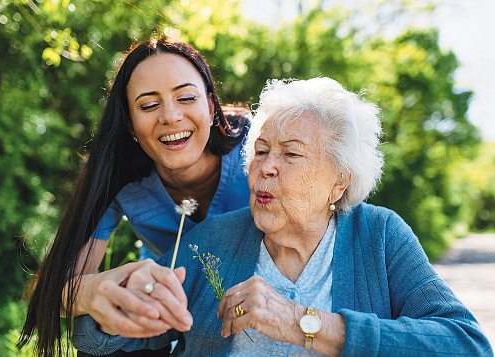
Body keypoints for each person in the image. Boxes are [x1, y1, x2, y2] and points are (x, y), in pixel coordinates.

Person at [72, 77, 493, 356]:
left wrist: (305, 324)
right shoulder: (212, 240)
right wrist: (118, 302)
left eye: (291, 153)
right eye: (260, 151)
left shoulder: (379, 236)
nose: (266, 167)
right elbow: (98, 338)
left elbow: (467, 345)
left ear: (339, 182)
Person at [18, 37, 251, 357]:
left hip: (261, 307)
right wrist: (92, 291)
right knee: (95, 333)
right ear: (129, 124)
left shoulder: (261, 147)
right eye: (148, 105)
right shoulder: (118, 177)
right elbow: (51, 288)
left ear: (211, 107)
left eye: (185, 97)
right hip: (169, 312)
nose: (170, 116)